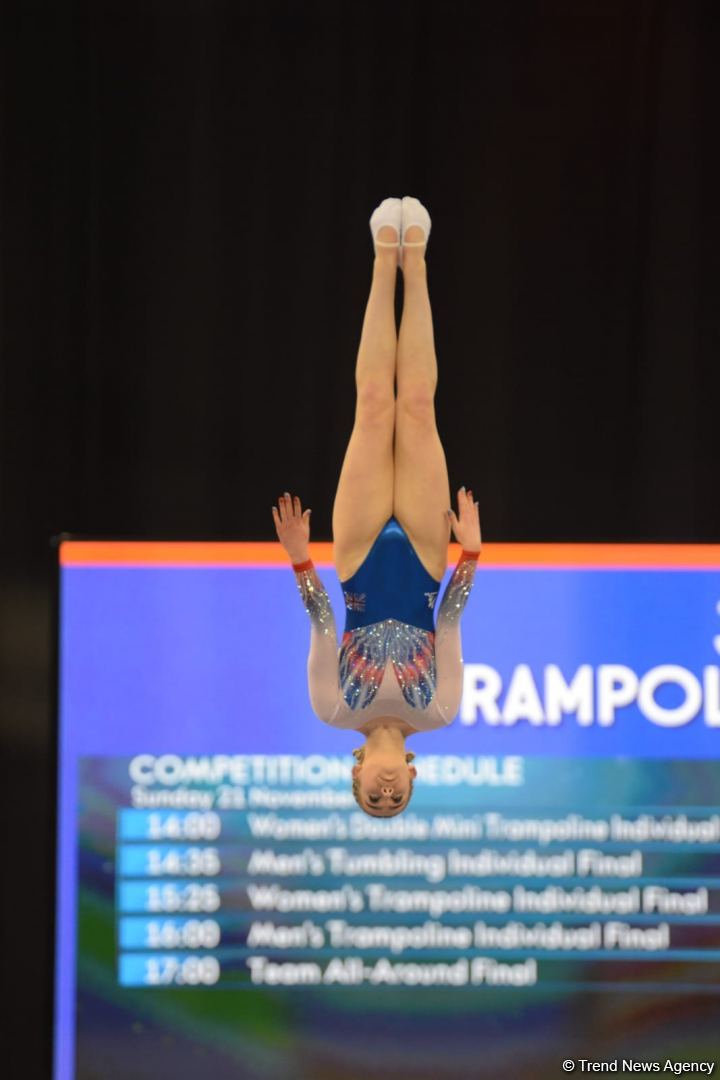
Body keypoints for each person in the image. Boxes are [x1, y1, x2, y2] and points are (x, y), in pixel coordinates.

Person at [272, 196, 481, 818]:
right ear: (412, 776)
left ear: (356, 773)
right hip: (425, 562)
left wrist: (300, 559)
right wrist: (470, 551)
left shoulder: (333, 709)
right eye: (397, 798)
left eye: (374, 797)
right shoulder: (440, 711)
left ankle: (381, 259)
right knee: (416, 407)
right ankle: (415, 263)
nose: (386, 790)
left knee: (371, 407)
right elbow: (449, 623)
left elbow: (322, 624)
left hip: (358, 560)